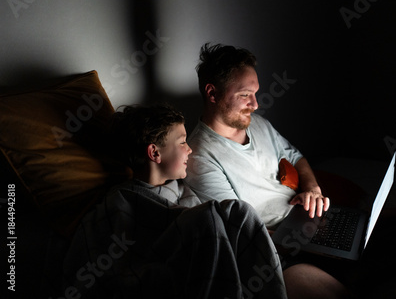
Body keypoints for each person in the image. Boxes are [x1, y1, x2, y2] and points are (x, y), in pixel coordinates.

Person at [62, 103, 288, 299]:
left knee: (240, 211)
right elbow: (109, 267)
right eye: (182, 142)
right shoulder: (120, 201)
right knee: (207, 216)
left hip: (204, 267)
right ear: (155, 153)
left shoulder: (186, 191)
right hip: (162, 277)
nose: (189, 149)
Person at [185, 44, 352, 299]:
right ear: (212, 93)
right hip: (280, 252)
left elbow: (295, 156)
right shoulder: (200, 155)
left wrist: (312, 189)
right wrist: (306, 240)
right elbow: (242, 232)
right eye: (244, 95)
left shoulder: (259, 124)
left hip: (310, 221)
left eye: (255, 93)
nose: (255, 104)